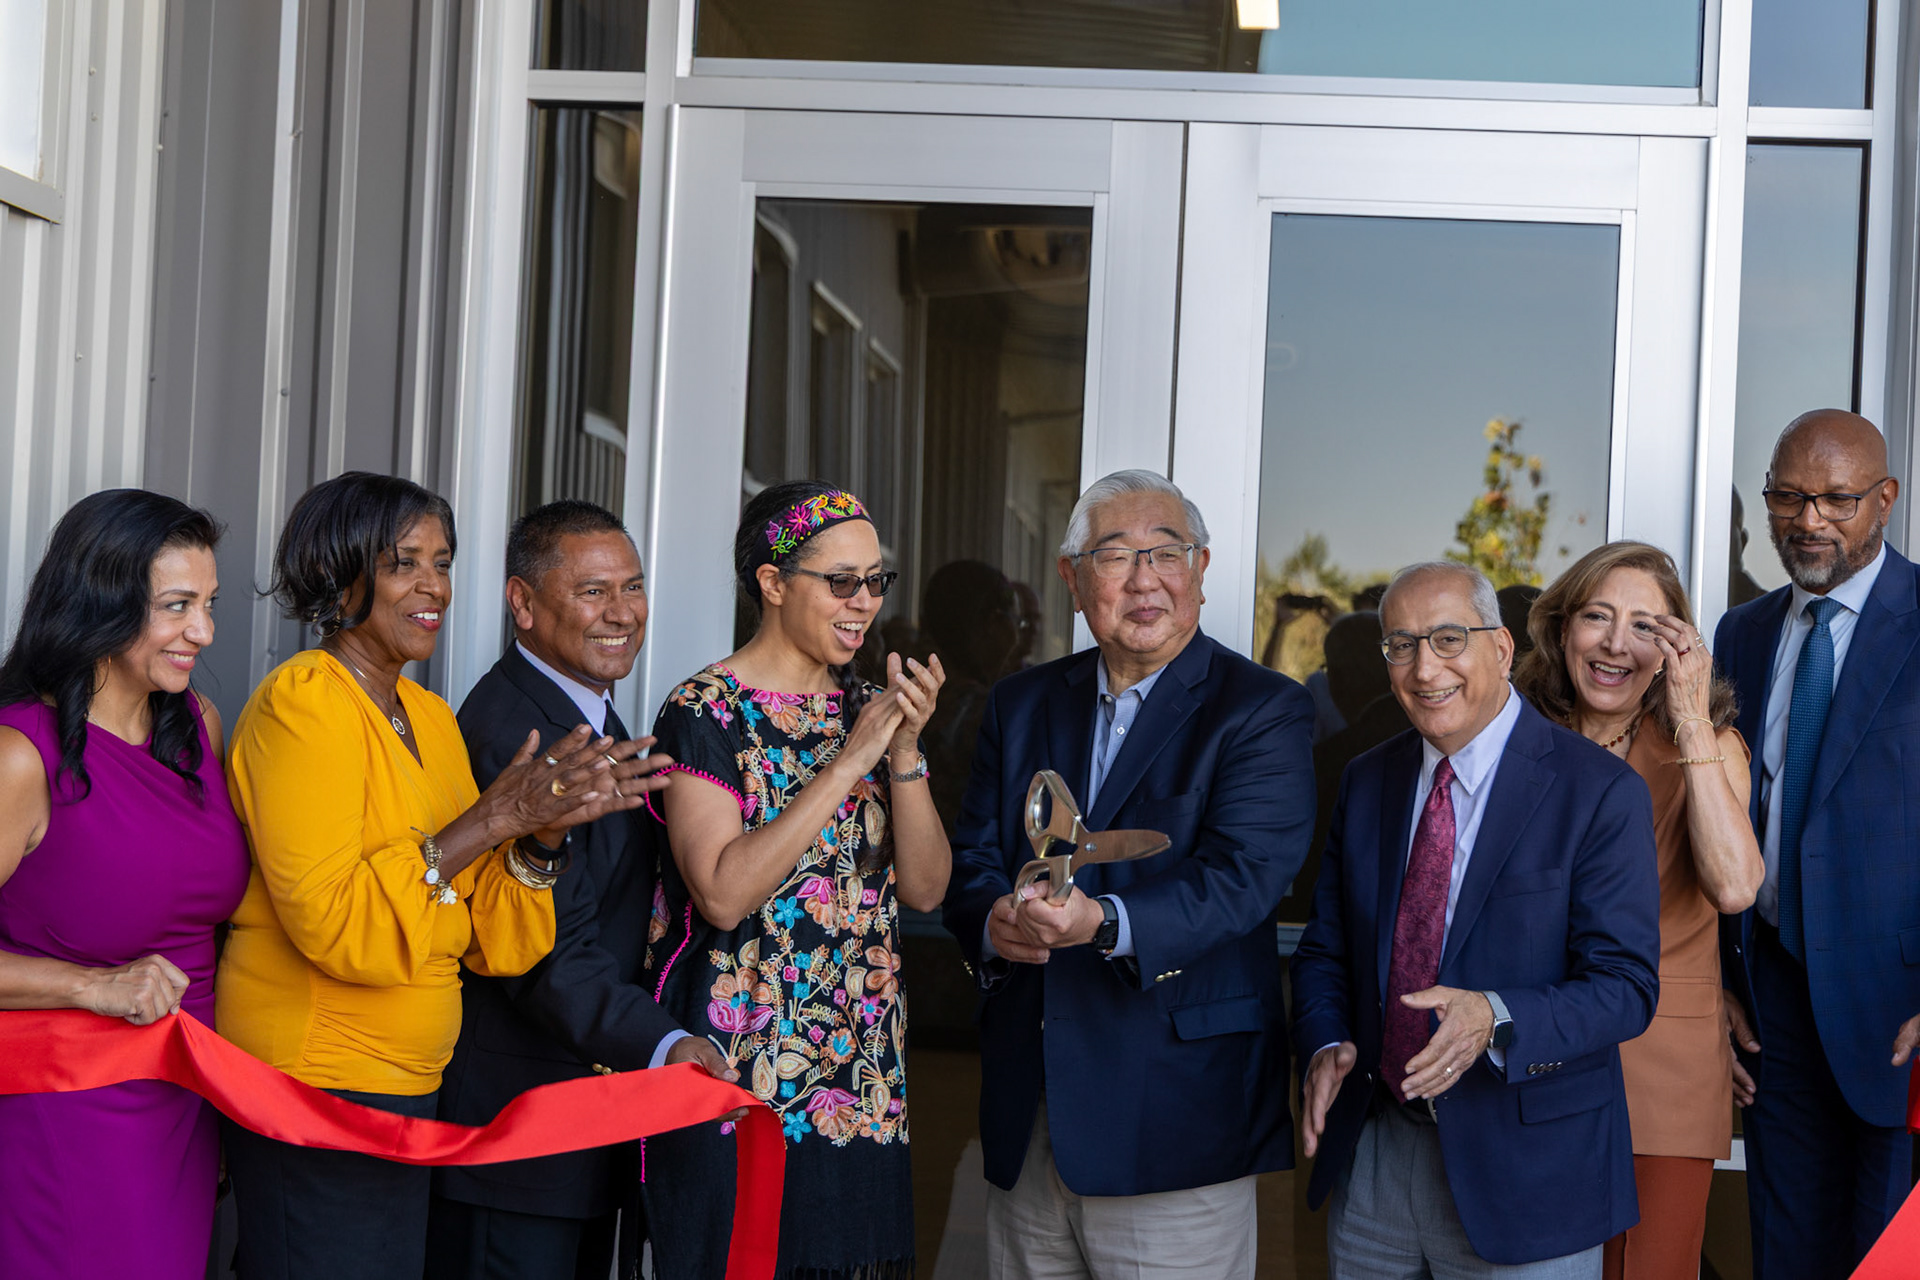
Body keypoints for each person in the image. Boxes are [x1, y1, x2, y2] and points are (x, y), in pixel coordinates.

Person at [218, 472, 659, 1280]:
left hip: (411, 1090)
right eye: (404, 564)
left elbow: (493, 940)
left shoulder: (425, 715)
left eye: (443, 563)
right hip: (317, 1085)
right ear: (340, 575)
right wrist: (490, 821)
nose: (434, 588)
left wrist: (541, 839)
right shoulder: (303, 704)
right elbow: (335, 923)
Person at [943, 469, 1315, 1279]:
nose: (1145, 580)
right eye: (1115, 556)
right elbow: (971, 860)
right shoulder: (1021, 703)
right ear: (1073, 579)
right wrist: (994, 922)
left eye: (1166, 553)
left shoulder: (1261, 709)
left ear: (1202, 569)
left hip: (1175, 1119)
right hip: (1030, 1113)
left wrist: (1103, 922)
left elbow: (1244, 879)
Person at [1291, 560, 1660, 1276]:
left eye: (1448, 639)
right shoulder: (1366, 780)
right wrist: (1325, 1041)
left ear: (1501, 648)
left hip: (1528, 1170)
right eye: (1401, 645)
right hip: (1377, 1154)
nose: (1425, 668)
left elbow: (1625, 988)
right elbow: (1325, 950)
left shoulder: (1597, 790)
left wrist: (1495, 1016)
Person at [643, 480, 950, 1279]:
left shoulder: (872, 709)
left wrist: (903, 752)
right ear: (773, 583)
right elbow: (721, 892)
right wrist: (848, 763)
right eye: (841, 581)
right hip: (742, 1069)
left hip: (861, 1073)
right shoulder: (705, 711)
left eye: (876, 581)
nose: (864, 602)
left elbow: (925, 889)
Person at [429, 500, 729, 1280]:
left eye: (632, 587)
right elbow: (543, 956)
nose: (622, 613)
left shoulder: (584, 712)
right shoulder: (516, 735)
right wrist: (663, 1043)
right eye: (594, 591)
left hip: (578, 1133)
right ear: (523, 604)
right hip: (517, 1136)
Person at [0, 490, 248, 1280]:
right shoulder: (19, 755)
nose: (203, 632)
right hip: (69, 1111)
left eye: (208, 604)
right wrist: (90, 985)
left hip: (188, 1103)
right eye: (177, 607)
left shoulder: (198, 726)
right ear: (98, 606)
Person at [1514, 542, 1763, 1280]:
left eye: (1645, 626)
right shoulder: (1514, 737)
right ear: (1563, 628)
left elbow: (1734, 888)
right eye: (1597, 616)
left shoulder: (1710, 746)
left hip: (1664, 1069)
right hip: (1530, 1055)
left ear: (1675, 648)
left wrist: (1690, 721)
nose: (1616, 643)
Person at [1714, 409, 1920, 1277]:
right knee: (1786, 1251)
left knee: (1887, 1258)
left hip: (1898, 1014)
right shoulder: (1741, 633)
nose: (1809, 520)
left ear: (1885, 500)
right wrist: (1721, 982)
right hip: (1772, 1005)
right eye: (1788, 496)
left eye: (1837, 499)